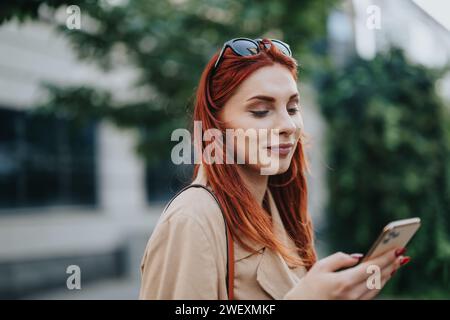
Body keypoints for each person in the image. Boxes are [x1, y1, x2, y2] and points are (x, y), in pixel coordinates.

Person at [139, 38, 410, 300]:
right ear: (217, 125)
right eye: (260, 111)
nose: (289, 126)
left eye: (292, 108)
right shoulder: (193, 218)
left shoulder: (278, 207)